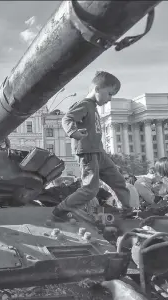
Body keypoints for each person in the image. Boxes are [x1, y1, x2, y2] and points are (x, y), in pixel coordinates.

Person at [52, 71, 133, 222]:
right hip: (87, 152)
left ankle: (126, 210)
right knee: (90, 189)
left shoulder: (93, 107)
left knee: (118, 180)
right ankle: (61, 209)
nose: (110, 99)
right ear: (97, 89)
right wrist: (73, 132)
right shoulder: (84, 104)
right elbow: (67, 118)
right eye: (109, 94)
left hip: (99, 153)